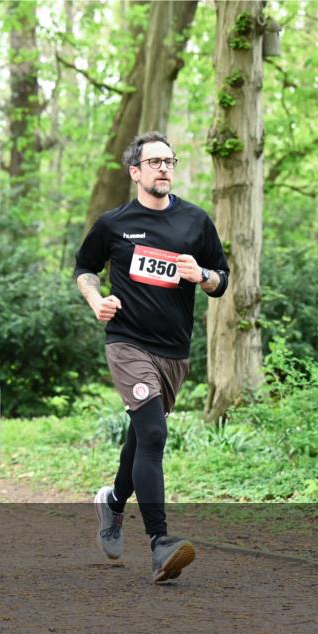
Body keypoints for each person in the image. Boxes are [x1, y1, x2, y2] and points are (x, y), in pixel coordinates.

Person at [75, 131, 229, 583]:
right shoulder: (114, 224)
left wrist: (201, 274)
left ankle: (112, 502)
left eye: (169, 161)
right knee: (155, 434)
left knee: (142, 434)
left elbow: (222, 279)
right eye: (154, 162)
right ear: (135, 172)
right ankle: (161, 543)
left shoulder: (195, 222)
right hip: (127, 343)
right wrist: (95, 300)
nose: (164, 168)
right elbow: (85, 268)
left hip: (173, 352)